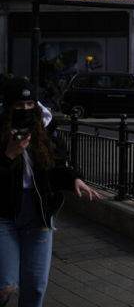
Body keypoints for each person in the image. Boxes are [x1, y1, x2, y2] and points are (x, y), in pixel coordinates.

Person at [1, 77, 101, 307]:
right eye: (18, 106)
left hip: (39, 212)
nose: (25, 110)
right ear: (8, 107)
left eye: (29, 105)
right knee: (5, 286)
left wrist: (74, 178)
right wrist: (8, 156)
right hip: (4, 215)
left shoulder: (44, 128)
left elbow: (56, 163)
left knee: (35, 286)